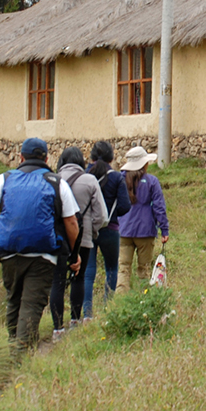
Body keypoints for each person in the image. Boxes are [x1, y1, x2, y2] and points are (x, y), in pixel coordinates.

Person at [0, 138, 80, 351]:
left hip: (8, 252)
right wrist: (73, 253)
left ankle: (13, 346)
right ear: (47, 158)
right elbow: (71, 222)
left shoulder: (4, 179)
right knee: (31, 304)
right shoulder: (57, 182)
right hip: (43, 255)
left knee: (13, 299)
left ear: (20, 157)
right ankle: (20, 355)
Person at [51, 146, 107, 334]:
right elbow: (101, 215)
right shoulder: (89, 180)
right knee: (79, 278)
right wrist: (92, 231)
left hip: (58, 239)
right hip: (82, 238)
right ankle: (75, 320)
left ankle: (57, 328)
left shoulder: (54, 180)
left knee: (57, 282)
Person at [83, 141, 131, 317]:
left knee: (88, 272)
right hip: (110, 228)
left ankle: (86, 313)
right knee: (111, 268)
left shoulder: (85, 175)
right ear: (111, 158)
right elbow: (125, 206)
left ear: (92, 157)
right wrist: (112, 213)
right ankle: (107, 309)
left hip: (88, 229)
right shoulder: (117, 178)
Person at [116, 146, 169, 293]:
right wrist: (164, 229)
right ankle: (143, 299)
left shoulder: (120, 180)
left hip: (124, 229)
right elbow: (159, 207)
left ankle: (121, 300)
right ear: (144, 164)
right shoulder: (152, 181)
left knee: (123, 268)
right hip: (145, 231)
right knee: (144, 269)